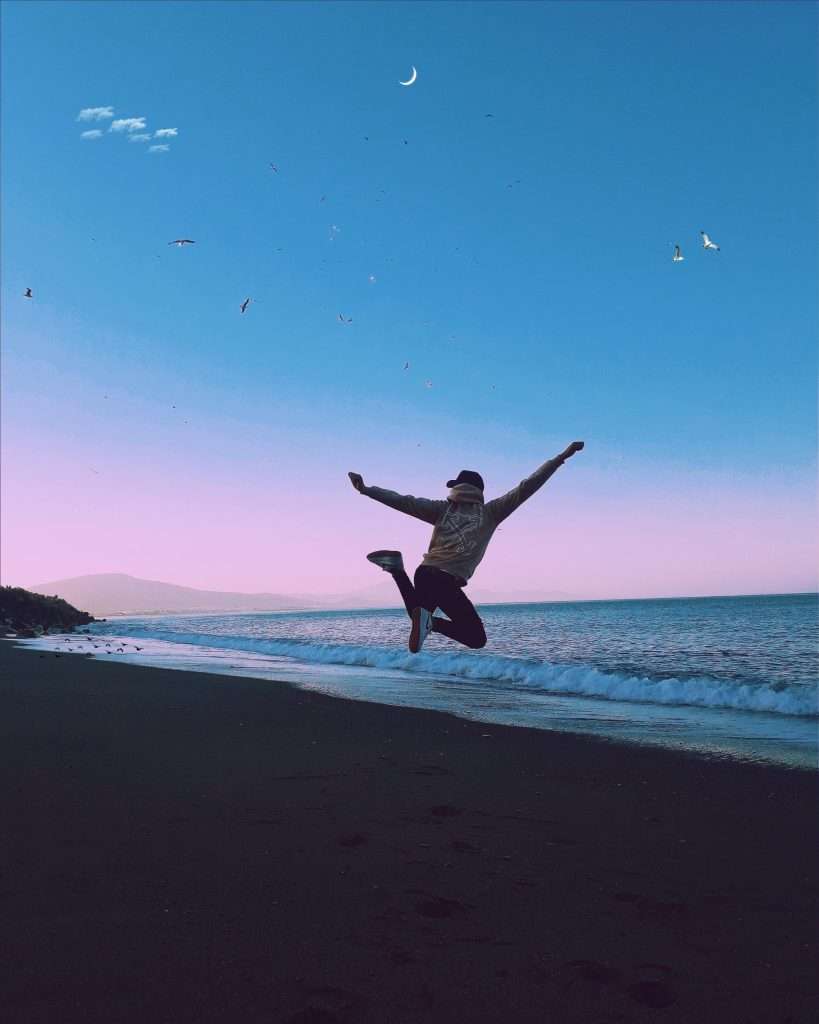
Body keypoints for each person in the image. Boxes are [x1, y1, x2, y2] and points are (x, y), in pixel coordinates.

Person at [348, 441, 584, 653]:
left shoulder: (442, 510)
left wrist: (366, 490)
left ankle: (399, 573)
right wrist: (561, 457)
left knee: (418, 616)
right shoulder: (491, 513)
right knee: (476, 637)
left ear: (458, 488)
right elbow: (527, 487)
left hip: (425, 574)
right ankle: (403, 579)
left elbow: (403, 501)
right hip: (445, 580)